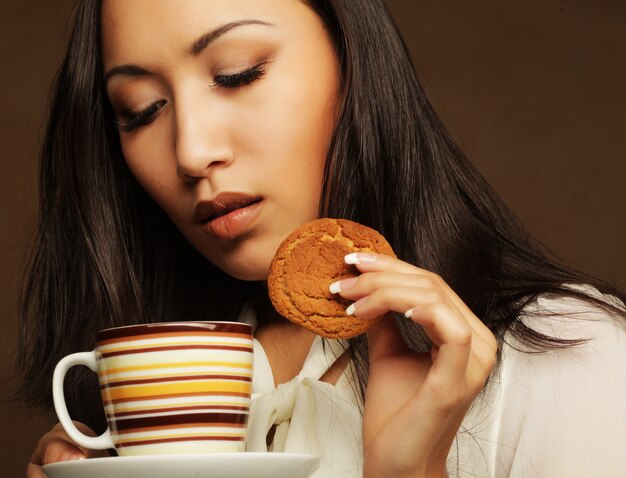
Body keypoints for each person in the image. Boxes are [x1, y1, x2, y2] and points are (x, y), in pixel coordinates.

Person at [18, 1, 626, 477]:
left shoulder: (574, 362)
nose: (192, 152)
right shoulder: (143, 406)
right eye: (142, 110)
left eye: (237, 74)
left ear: (352, 57)